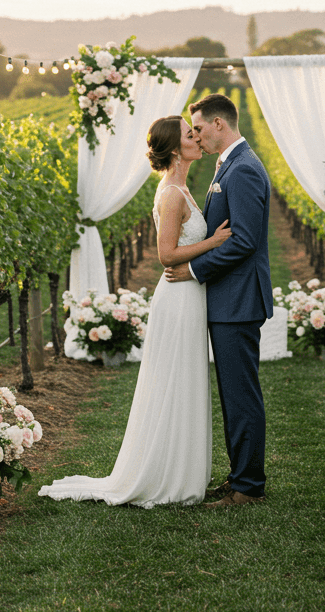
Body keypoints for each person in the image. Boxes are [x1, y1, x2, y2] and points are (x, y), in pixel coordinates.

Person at [38, 115, 232, 508]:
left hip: (189, 296)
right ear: (176, 148)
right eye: (188, 134)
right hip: (177, 298)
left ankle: (181, 471)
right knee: (173, 381)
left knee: (185, 379)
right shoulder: (172, 193)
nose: (196, 138)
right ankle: (165, 475)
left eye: (195, 132)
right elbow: (165, 255)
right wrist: (212, 242)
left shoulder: (182, 186)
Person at [165, 93, 273, 506]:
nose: (196, 136)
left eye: (199, 128)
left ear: (219, 125)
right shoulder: (230, 165)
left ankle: (248, 486)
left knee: (240, 393)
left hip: (238, 300)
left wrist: (193, 270)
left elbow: (243, 240)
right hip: (230, 299)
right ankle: (241, 476)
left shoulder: (242, 169)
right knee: (233, 392)